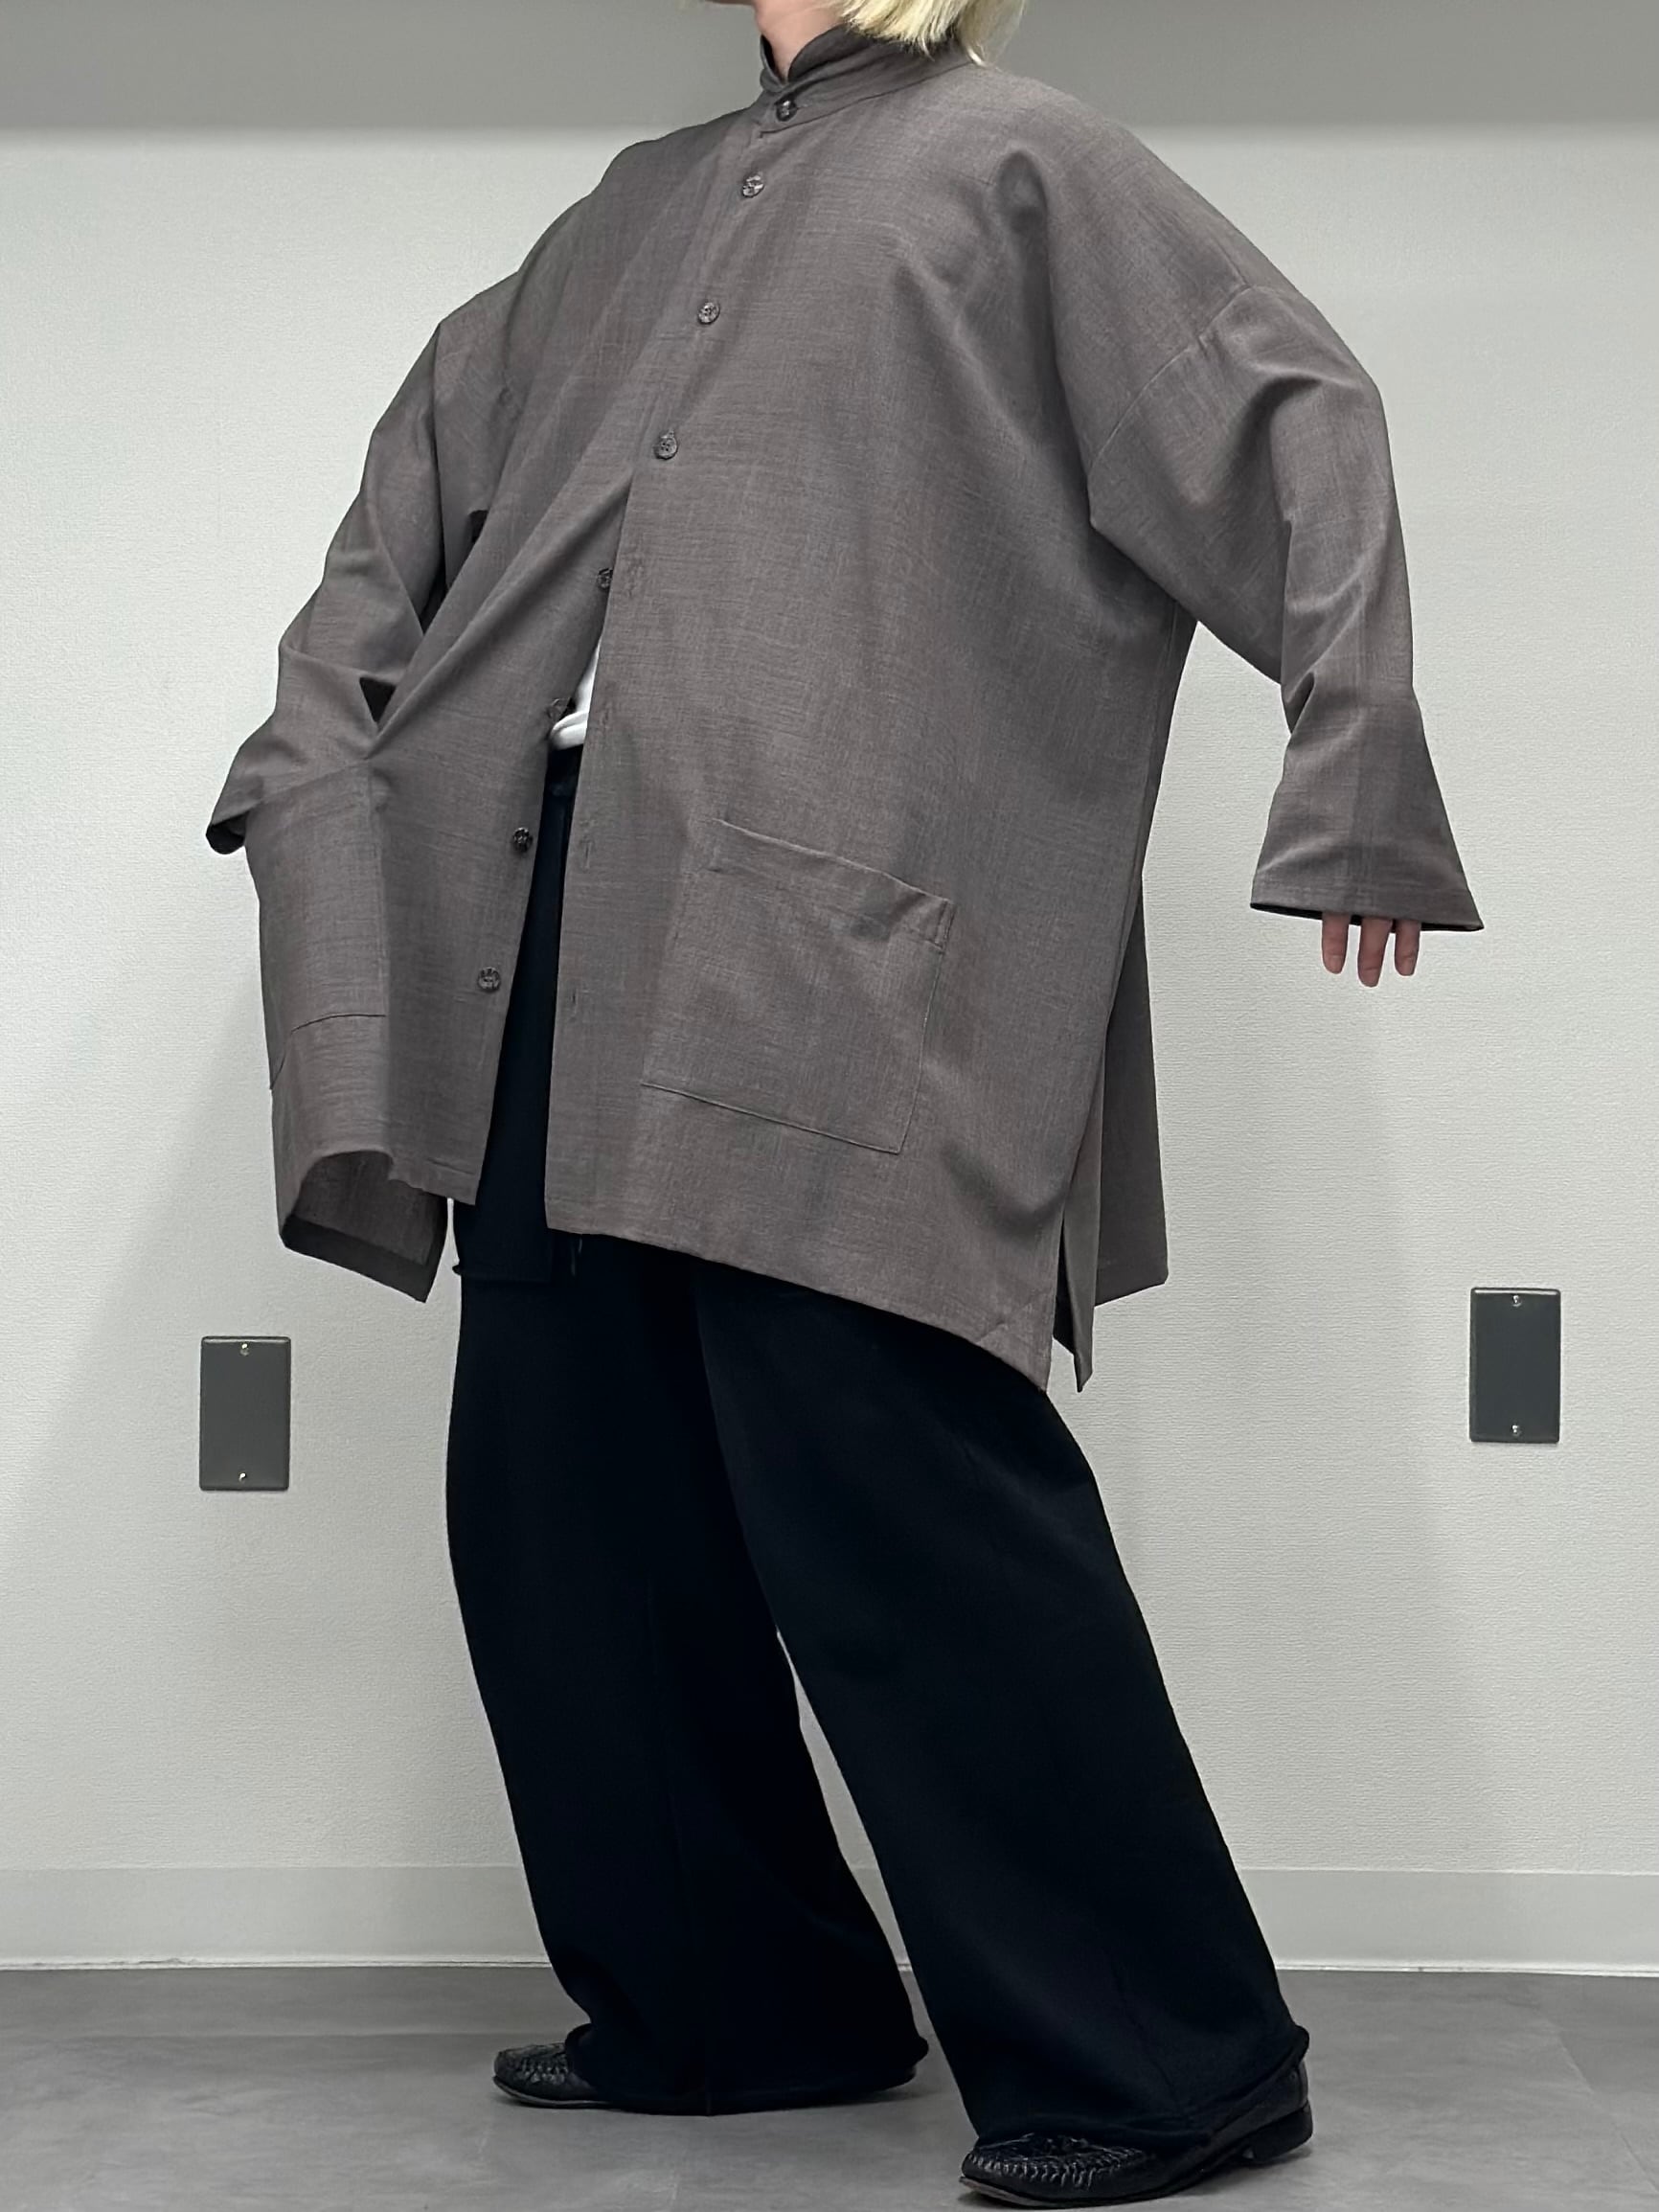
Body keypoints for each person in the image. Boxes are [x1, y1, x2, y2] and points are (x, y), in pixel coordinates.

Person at [204, 0, 1482, 2201]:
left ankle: (1170, 2054)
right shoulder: (627, 213)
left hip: (828, 934)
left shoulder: (1024, 167)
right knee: (562, 1499)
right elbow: (407, 509)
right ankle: (740, 2002)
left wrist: (1353, 760)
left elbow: (1288, 404)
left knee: (887, 1470)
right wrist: (316, 758)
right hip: (548, 912)